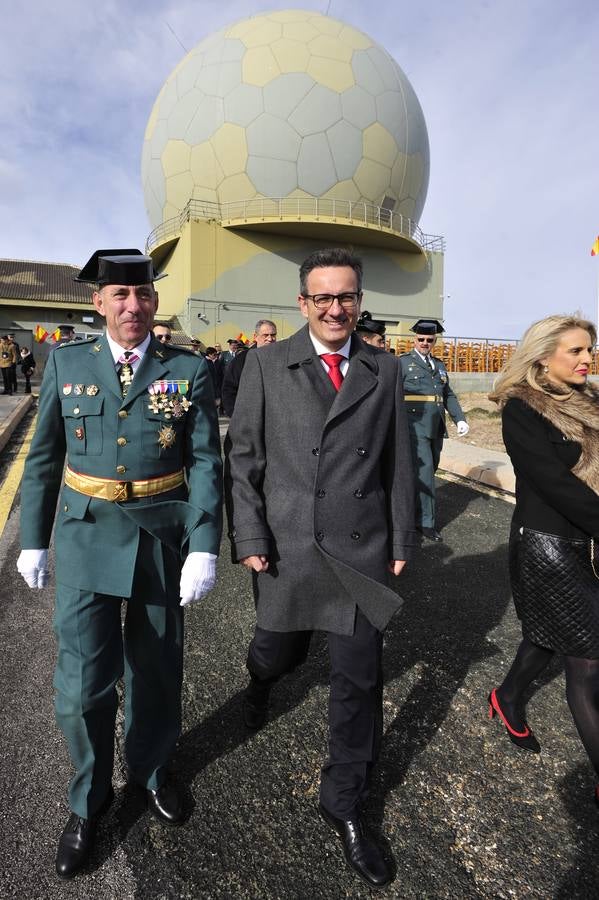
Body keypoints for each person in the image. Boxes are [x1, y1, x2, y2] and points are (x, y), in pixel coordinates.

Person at [17, 249, 222, 879]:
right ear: (98, 303)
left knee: (157, 667)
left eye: (144, 295)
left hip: (160, 535)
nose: (134, 306)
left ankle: (154, 768)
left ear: (155, 303)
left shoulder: (187, 369)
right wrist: (33, 538)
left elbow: (208, 461)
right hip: (84, 537)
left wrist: (206, 543)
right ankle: (89, 797)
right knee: (83, 683)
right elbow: (45, 457)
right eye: (121, 296)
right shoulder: (68, 363)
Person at [225, 247, 416, 890]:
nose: (336, 308)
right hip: (288, 548)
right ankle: (259, 685)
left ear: (360, 301)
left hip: (360, 548)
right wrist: (248, 533)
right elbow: (245, 458)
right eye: (323, 298)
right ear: (302, 303)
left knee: (359, 680)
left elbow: (397, 462)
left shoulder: (382, 369)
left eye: (347, 297)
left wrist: (402, 539)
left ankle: (345, 803)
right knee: (275, 654)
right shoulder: (266, 363)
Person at [487, 314, 599, 805]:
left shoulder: (591, 401)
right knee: (588, 661)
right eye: (575, 350)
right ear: (543, 356)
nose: (587, 358)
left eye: (589, 349)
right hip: (549, 547)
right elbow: (554, 484)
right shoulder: (521, 410)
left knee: (545, 635)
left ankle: (507, 695)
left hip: (590, 543)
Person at [399, 318, 469, 541]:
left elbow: (447, 394)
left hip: (435, 426)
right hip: (413, 425)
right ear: (414, 339)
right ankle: (425, 523)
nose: (424, 343)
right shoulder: (402, 363)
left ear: (434, 340)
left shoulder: (439, 365)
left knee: (430, 469)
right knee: (426, 473)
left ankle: (409, 513)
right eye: (421, 339)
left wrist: (459, 418)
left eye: (429, 340)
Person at [221, 319, 277, 416]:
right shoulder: (241, 360)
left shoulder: (282, 358)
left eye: (273, 335)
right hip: (248, 417)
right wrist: (236, 416)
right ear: (255, 337)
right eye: (265, 335)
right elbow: (229, 390)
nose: (270, 339)